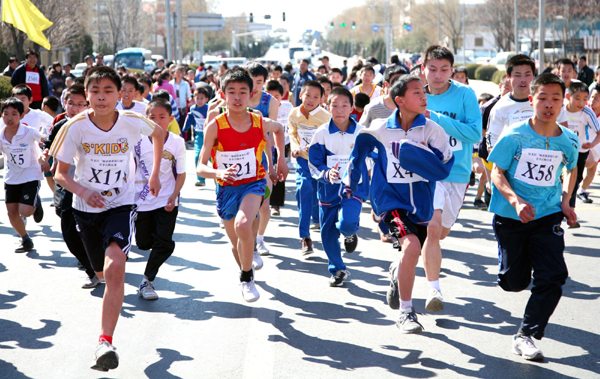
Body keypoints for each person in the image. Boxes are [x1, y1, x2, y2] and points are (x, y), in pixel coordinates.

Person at [50, 66, 165, 371]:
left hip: (120, 204)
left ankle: (104, 342)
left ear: (120, 94)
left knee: (115, 267)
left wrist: (153, 173)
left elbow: (160, 133)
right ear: (86, 95)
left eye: (108, 91)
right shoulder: (75, 127)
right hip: (86, 211)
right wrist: (84, 192)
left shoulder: (131, 121)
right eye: (95, 92)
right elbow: (59, 174)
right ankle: (100, 279)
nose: (101, 97)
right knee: (101, 272)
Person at [344, 74, 453, 333]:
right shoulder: (381, 128)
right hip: (390, 200)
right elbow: (357, 153)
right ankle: (406, 312)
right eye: (416, 92)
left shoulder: (432, 130)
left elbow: (445, 167)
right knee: (412, 246)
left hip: (422, 203)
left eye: (423, 92)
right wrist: (353, 185)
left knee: (411, 253)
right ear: (399, 100)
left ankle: (397, 273)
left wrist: (424, 157)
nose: (423, 96)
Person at [487, 73, 578, 361]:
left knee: (554, 276)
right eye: (543, 98)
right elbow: (496, 172)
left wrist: (565, 201)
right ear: (532, 100)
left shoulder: (569, 141)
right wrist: (515, 201)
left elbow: (571, 169)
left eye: (555, 99)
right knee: (513, 282)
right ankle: (508, 266)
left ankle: (526, 335)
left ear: (562, 103)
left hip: (547, 215)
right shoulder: (515, 135)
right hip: (511, 216)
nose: (549, 104)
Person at [196, 67, 288, 302]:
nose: (237, 97)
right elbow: (200, 167)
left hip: (254, 183)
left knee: (243, 224)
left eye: (242, 92)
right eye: (232, 92)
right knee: (236, 241)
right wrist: (218, 172)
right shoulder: (215, 126)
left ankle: (246, 277)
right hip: (226, 188)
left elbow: (279, 129)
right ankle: (247, 271)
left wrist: (280, 161)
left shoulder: (258, 120)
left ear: (251, 94)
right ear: (223, 94)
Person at [420, 45, 482, 312]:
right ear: (423, 70)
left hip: (457, 172)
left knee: (440, 232)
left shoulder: (465, 94)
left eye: (444, 69)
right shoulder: (415, 94)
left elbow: (473, 134)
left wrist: (436, 119)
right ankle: (434, 290)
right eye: (432, 69)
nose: (437, 75)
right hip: (426, 172)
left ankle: (402, 262)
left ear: (452, 70)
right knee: (432, 229)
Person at [308, 87, 368, 286]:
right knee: (327, 232)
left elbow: (371, 159)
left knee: (346, 223)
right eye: (335, 105)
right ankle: (337, 270)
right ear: (327, 107)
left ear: (352, 108)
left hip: (353, 189)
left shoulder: (361, 133)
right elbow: (314, 162)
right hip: (328, 189)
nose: (340, 110)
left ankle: (350, 233)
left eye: (344, 106)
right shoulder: (322, 133)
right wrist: (326, 173)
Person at [45, 84, 101, 288]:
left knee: (88, 225)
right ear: (64, 104)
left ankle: (97, 265)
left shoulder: (95, 126)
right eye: (71, 104)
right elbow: (49, 146)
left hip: (89, 184)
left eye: (80, 104)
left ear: (88, 105)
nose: (75, 108)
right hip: (65, 182)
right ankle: (92, 266)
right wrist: (47, 157)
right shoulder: (60, 125)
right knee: (68, 227)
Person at [134, 99, 186, 300]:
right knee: (144, 242)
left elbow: (181, 174)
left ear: (170, 119)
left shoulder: (177, 142)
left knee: (163, 242)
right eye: (151, 117)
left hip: (167, 200)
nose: (156, 121)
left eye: (161, 117)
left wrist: (173, 196)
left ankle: (147, 280)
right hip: (141, 200)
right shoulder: (137, 141)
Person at [0, 98, 48, 253]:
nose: (9, 117)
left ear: (21, 116)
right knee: (12, 213)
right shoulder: (1, 134)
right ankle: (26, 239)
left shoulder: (28, 132)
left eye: (14, 114)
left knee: (25, 211)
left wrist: (44, 156)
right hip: (12, 177)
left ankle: (35, 202)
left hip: (30, 175)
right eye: (6, 113)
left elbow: (44, 140)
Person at [289, 81, 331, 254]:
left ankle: (324, 226)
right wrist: (294, 149)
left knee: (319, 194)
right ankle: (305, 237)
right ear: (301, 95)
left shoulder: (326, 117)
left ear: (322, 99)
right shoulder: (293, 114)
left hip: (321, 163)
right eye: (308, 95)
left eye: (316, 97)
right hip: (302, 161)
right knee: (304, 189)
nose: (311, 100)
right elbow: (292, 134)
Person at [562, 81, 600, 228]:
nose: (582, 102)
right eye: (577, 98)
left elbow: (598, 132)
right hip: (560, 151)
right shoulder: (560, 110)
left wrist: (591, 144)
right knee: (558, 181)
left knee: (574, 181)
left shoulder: (587, 112)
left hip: (580, 151)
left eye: (585, 99)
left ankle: (570, 212)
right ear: (568, 96)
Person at [265, 80, 292, 215]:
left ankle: (276, 204)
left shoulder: (289, 108)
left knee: (279, 171)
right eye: (269, 96)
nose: (273, 99)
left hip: (283, 143)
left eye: (276, 96)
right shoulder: (263, 108)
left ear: (283, 95)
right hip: (267, 144)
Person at [182, 87, 209, 187]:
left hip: (210, 135)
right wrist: (185, 128)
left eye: (202, 98)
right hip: (199, 135)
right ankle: (200, 179)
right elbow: (189, 119)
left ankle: (219, 177)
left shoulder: (209, 108)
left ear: (206, 99)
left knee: (212, 157)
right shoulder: (193, 109)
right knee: (198, 156)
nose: (199, 100)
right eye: (197, 98)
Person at [578, 87, 600, 203]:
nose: (592, 100)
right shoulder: (584, 111)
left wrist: (593, 145)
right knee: (587, 163)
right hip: (584, 145)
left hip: (596, 146)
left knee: (592, 171)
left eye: (596, 99)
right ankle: (571, 182)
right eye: (591, 97)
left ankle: (581, 191)